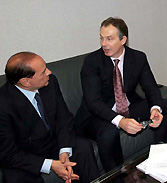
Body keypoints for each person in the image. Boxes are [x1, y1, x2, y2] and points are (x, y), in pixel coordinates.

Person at [74, 17, 167, 172]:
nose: (103, 44)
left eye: (109, 39)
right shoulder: (92, 62)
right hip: (95, 115)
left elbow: (151, 87)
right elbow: (93, 102)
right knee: (109, 132)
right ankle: (116, 177)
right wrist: (121, 121)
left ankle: (161, 159)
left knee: (165, 106)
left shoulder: (138, 57)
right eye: (101, 38)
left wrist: (155, 109)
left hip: (127, 106)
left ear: (123, 40)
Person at [0, 52, 99, 183]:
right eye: (43, 72)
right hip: (25, 154)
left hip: (52, 142)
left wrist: (64, 152)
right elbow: (8, 154)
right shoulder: (3, 104)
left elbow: (63, 117)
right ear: (26, 81)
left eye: (46, 67)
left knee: (83, 147)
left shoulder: (50, 82)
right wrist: (50, 165)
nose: (49, 72)